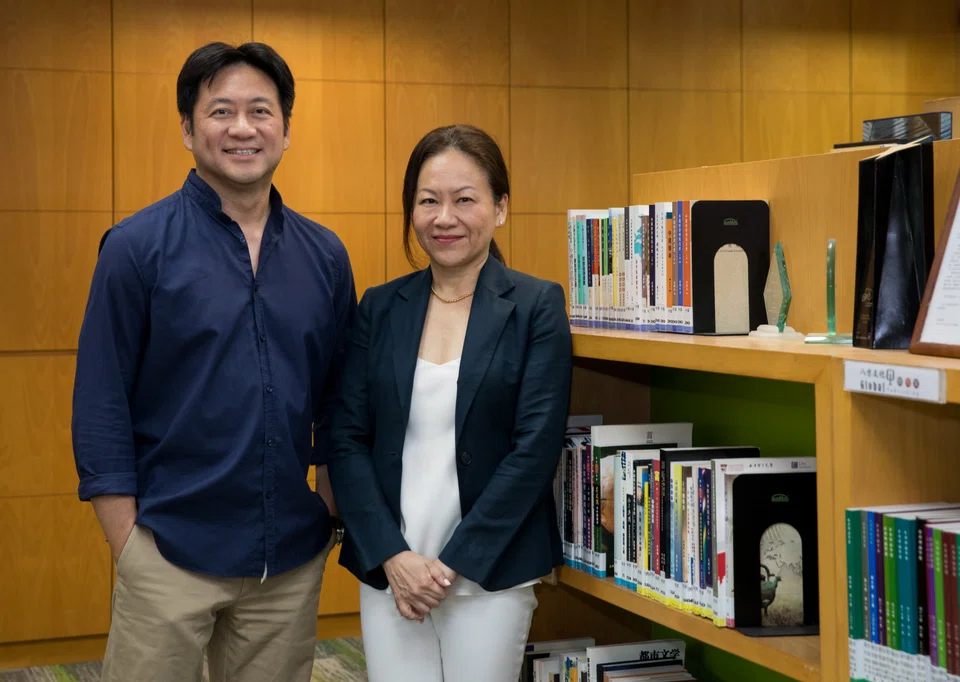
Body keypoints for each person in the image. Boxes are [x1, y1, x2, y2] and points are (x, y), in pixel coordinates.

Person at [71, 41, 356, 682]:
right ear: (187, 128)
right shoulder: (135, 248)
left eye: (261, 110)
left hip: (287, 559)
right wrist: (130, 548)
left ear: (286, 128)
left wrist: (332, 512)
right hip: (168, 552)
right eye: (220, 111)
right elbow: (100, 405)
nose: (242, 128)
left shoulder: (325, 255)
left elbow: (340, 401)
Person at [328, 124, 573, 681]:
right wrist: (393, 556)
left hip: (489, 573)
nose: (445, 218)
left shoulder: (536, 306)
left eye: (465, 200)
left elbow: (534, 451)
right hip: (393, 571)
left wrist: (448, 567)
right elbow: (347, 439)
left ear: (500, 207)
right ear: (410, 210)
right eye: (428, 200)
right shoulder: (380, 307)